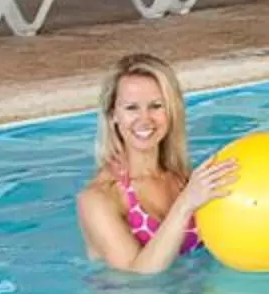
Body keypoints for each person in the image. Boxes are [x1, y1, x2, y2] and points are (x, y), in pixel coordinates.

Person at [76, 53, 234, 274]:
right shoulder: (98, 198)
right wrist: (185, 203)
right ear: (113, 115)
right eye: (131, 108)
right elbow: (137, 277)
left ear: (171, 111)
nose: (145, 119)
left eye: (156, 106)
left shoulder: (184, 178)